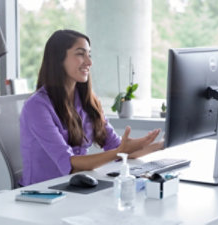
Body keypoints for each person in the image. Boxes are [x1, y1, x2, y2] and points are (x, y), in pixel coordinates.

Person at [19, 29, 163, 186]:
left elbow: (118, 149)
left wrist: (160, 145)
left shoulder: (87, 101)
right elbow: (71, 164)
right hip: (43, 192)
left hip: (75, 187)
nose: (89, 62)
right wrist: (120, 151)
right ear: (58, 59)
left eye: (89, 54)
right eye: (80, 54)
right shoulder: (37, 106)